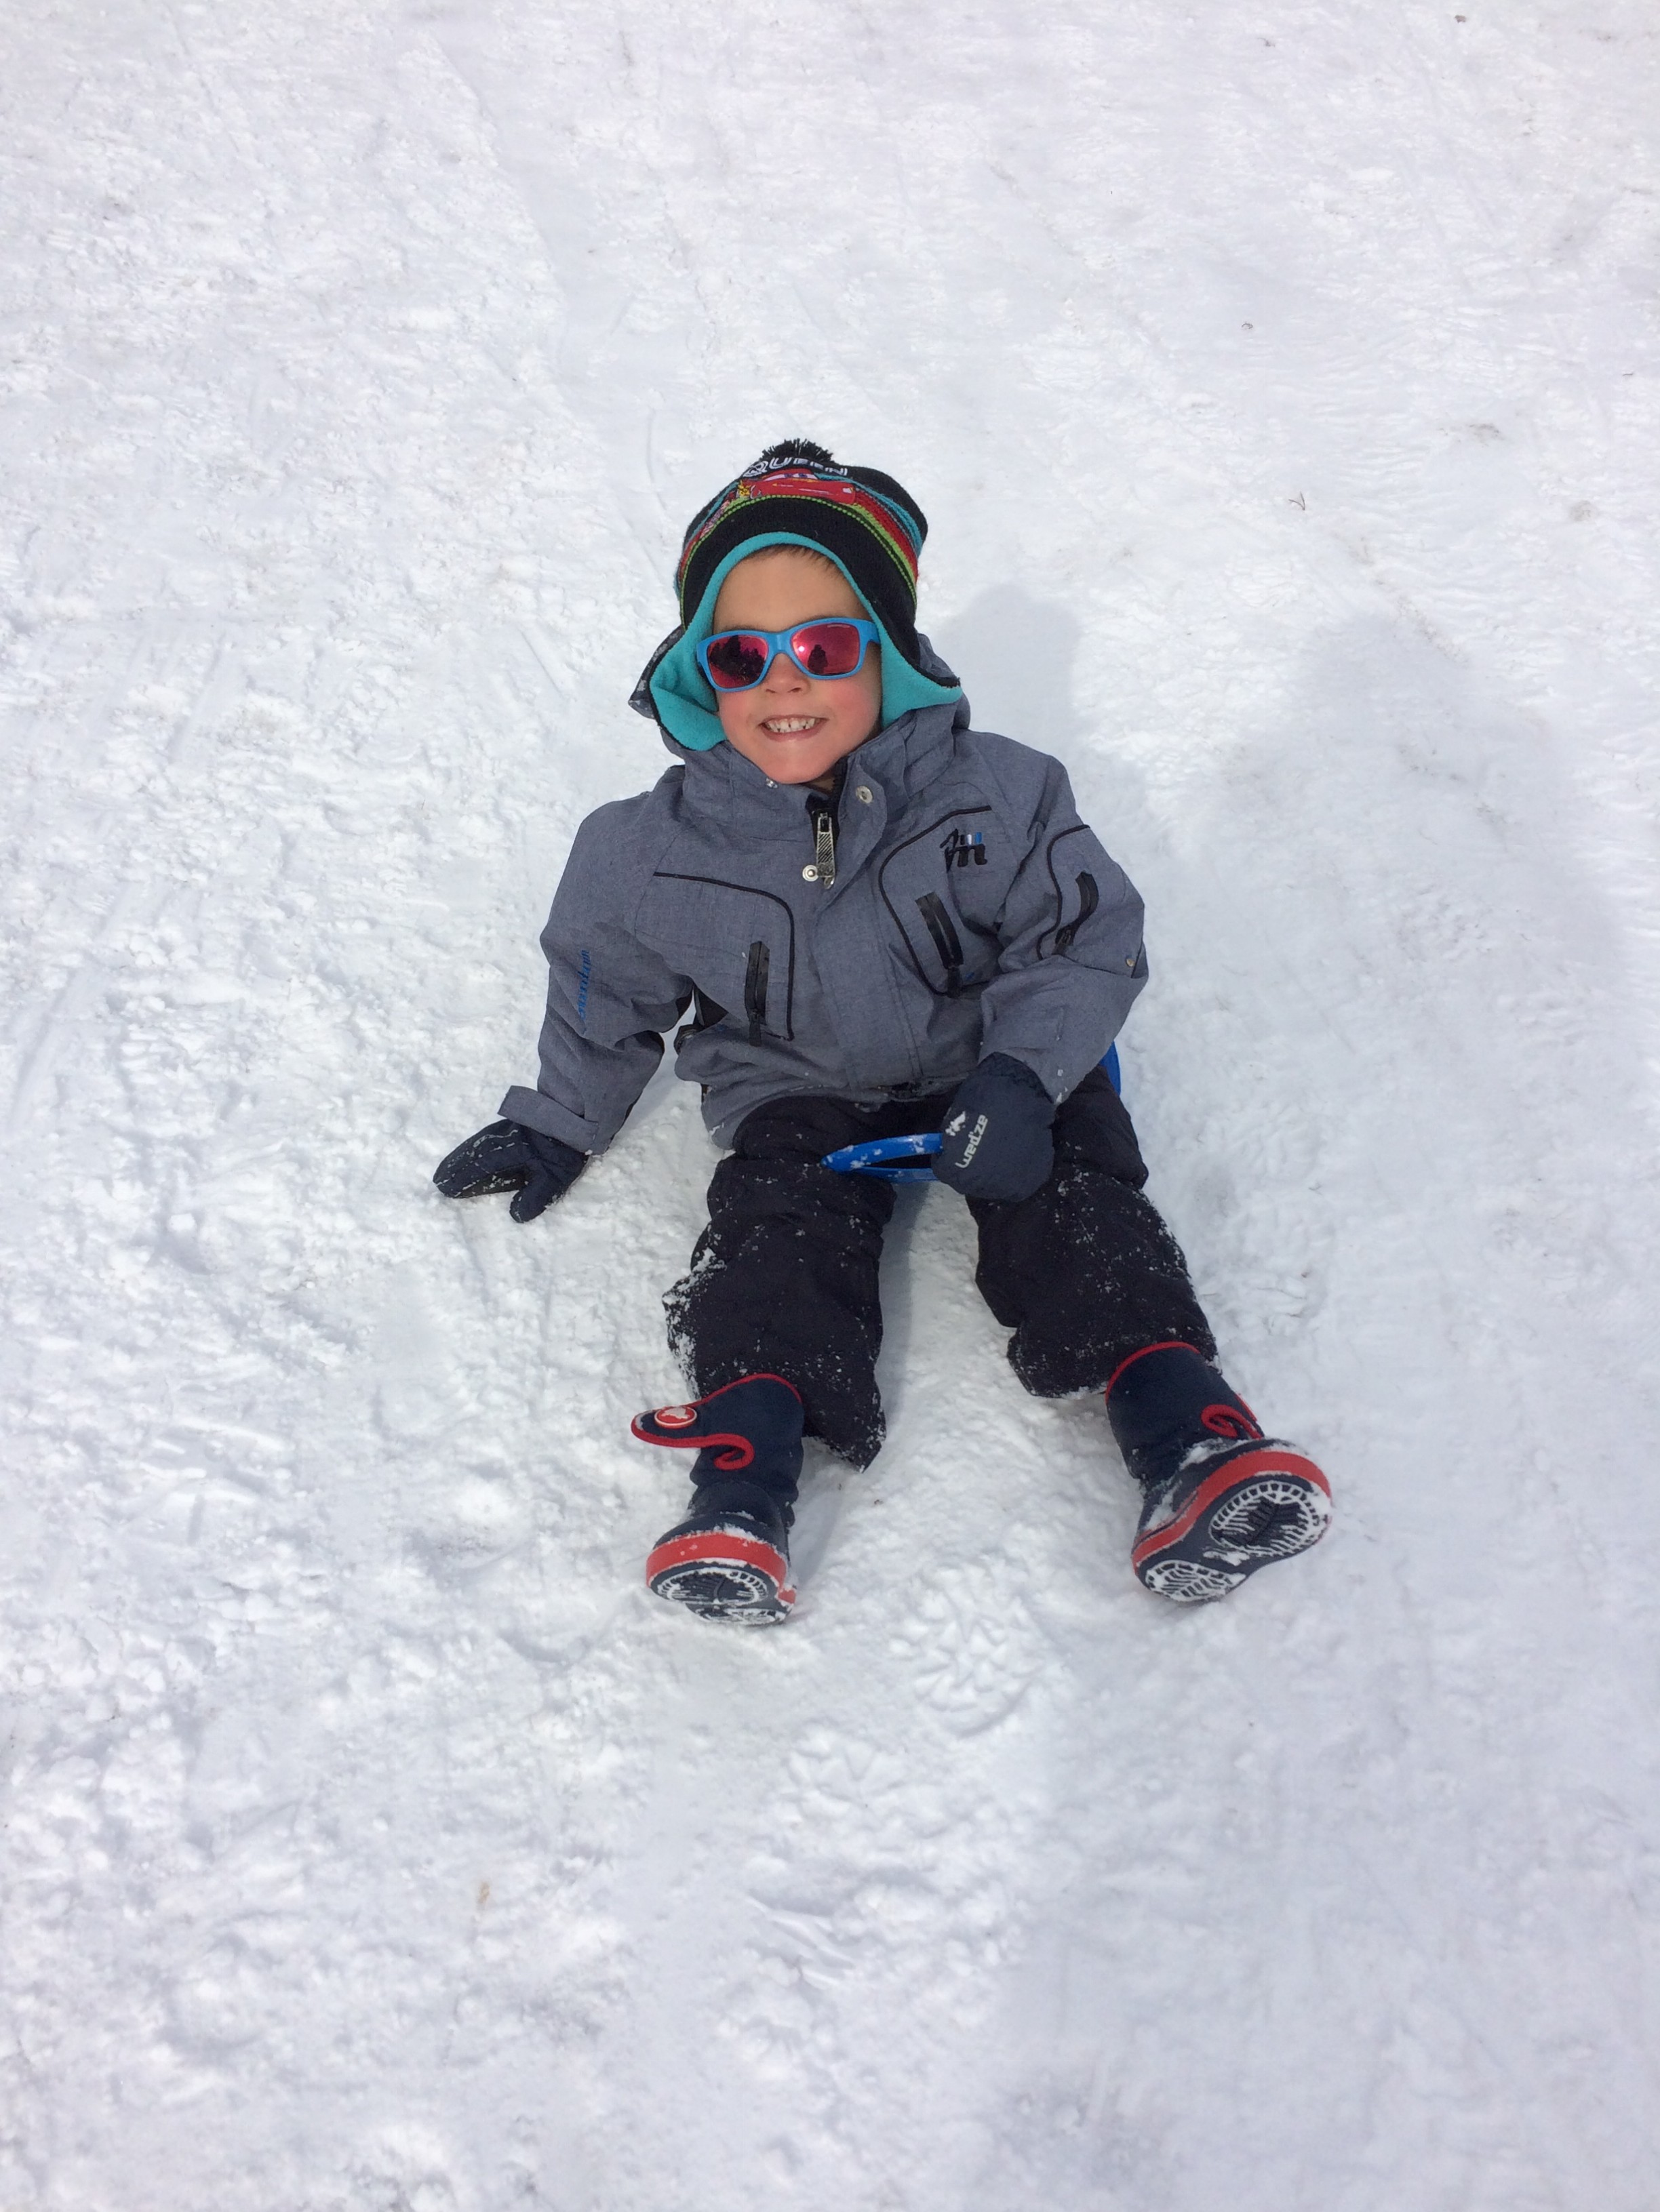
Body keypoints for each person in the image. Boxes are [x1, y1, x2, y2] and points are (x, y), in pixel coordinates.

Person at [434, 441, 1330, 1623]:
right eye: (742, 656)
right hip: (796, 1087)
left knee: (1080, 1199)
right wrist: (557, 1120)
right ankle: (742, 1484)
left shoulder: (1004, 795)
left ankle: (1185, 1427)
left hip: (989, 1066)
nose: (784, 684)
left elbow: (1084, 937)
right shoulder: (644, 853)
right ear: (700, 671)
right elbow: (604, 993)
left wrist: (1025, 1074)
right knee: (771, 1240)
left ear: (891, 652)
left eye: (825, 648)